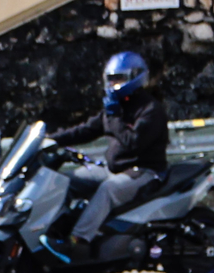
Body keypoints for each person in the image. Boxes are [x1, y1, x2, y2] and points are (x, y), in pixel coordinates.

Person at [64, 51, 171, 248]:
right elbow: (85, 130)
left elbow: (133, 142)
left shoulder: (150, 110)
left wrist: (114, 117)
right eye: (111, 80)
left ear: (135, 77)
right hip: (114, 168)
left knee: (108, 190)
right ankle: (57, 230)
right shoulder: (116, 107)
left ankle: (78, 241)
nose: (114, 85)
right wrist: (48, 139)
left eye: (119, 79)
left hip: (144, 171)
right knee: (68, 181)